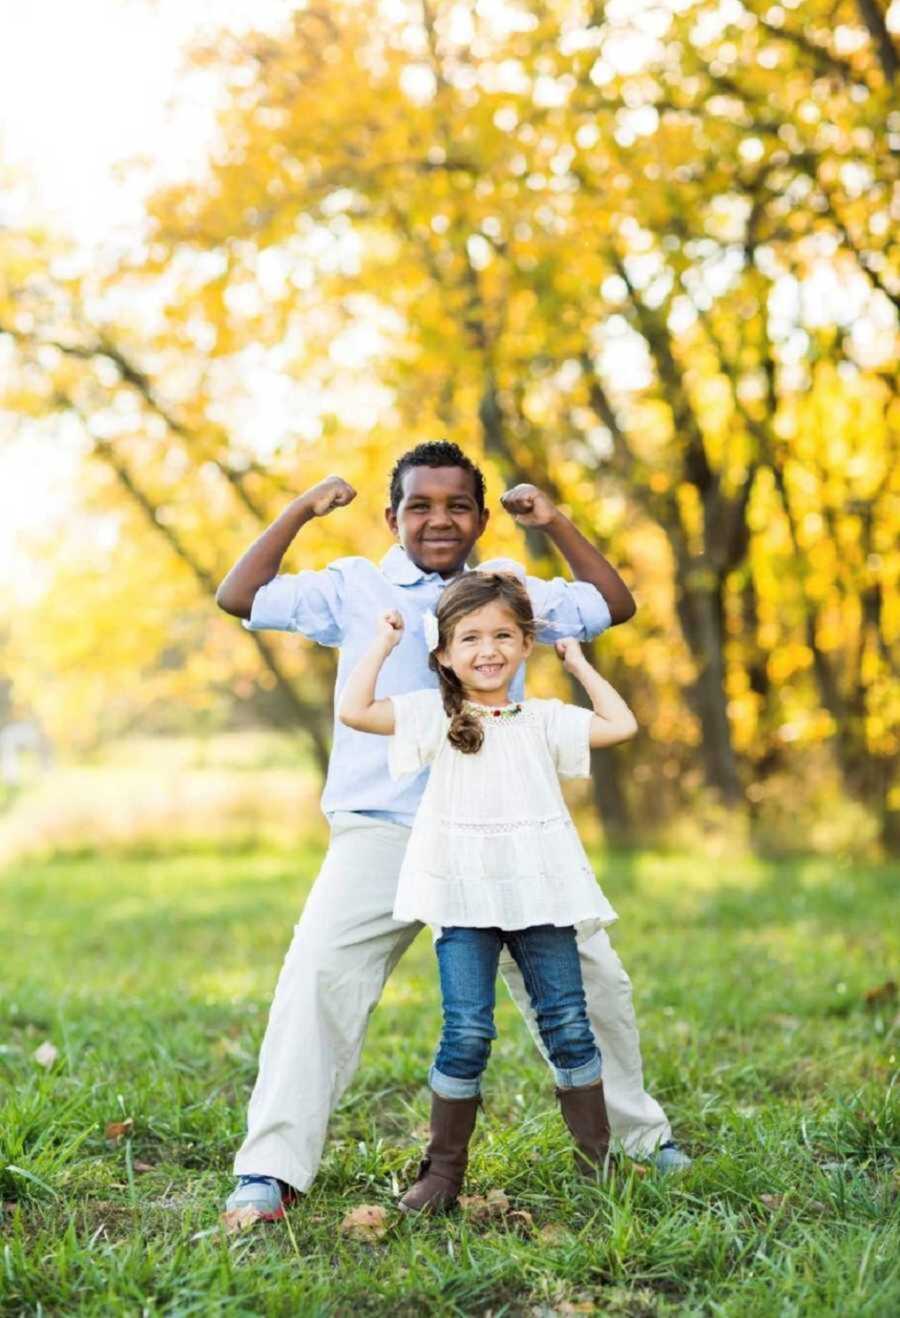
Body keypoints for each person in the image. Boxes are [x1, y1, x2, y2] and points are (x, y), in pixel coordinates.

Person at [217, 440, 688, 1221]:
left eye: (457, 505)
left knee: (594, 983)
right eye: (420, 506)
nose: (440, 519)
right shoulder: (355, 588)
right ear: (391, 515)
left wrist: (555, 522)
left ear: (478, 515)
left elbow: (614, 605)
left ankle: (637, 1141)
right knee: (318, 979)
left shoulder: (509, 588)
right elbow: (240, 596)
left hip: (504, 835)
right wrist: (301, 508)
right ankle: (271, 1168)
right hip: (385, 827)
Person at [338, 571, 638, 1211]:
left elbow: (621, 724)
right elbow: (355, 711)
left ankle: (598, 1167)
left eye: (503, 634)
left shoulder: (543, 719)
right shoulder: (432, 716)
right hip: (464, 901)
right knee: (467, 1032)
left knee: (569, 1026)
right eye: (468, 637)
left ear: (525, 643)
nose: (488, 649)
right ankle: (443, 1174)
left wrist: (580, 663)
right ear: (443, 653)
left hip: (540, 898)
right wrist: (383, 646)